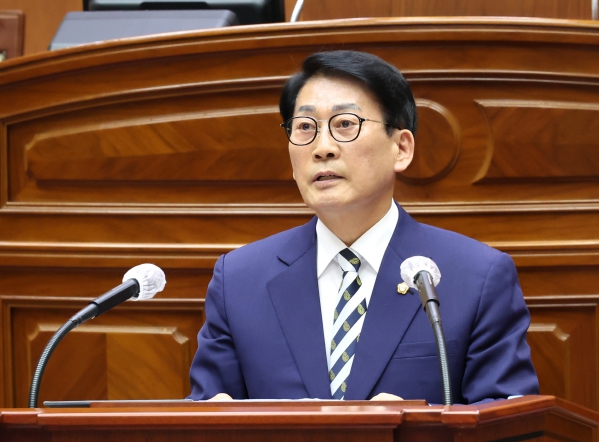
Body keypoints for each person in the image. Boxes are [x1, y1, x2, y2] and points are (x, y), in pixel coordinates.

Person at [188, 50, 538, 404]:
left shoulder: (477, 277)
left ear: (401, 148)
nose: (323, 148)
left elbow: (508, 423)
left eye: (345, 124)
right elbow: (203, 418)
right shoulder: (239, 281)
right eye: (305, 128)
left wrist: (420, 422)